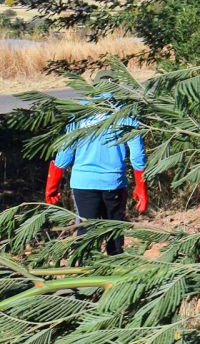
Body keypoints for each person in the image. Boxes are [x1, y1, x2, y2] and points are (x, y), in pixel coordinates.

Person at [44, 72, 148, 256]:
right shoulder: (126, 114)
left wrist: (51, 186)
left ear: (94, 88)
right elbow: (137, 155)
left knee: (85, 234)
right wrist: (141, 187)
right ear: (117, 88)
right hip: (113, 184)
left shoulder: (79, 113)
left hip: (83, 184)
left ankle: (83, 277)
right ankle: (114, 275)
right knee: (114, 232)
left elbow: (65, 153)